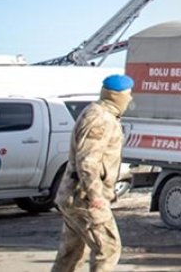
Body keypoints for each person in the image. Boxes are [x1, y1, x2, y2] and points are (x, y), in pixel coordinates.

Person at [51, 74, 134, 272]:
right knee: (108, 249)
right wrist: (95, 195)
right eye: (128, 94)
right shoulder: (101, 119)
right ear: (117, 96)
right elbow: (88, 161)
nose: (130, 99)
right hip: (85, 198)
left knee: (71, 254)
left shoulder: (97, 112)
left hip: (75, 196)